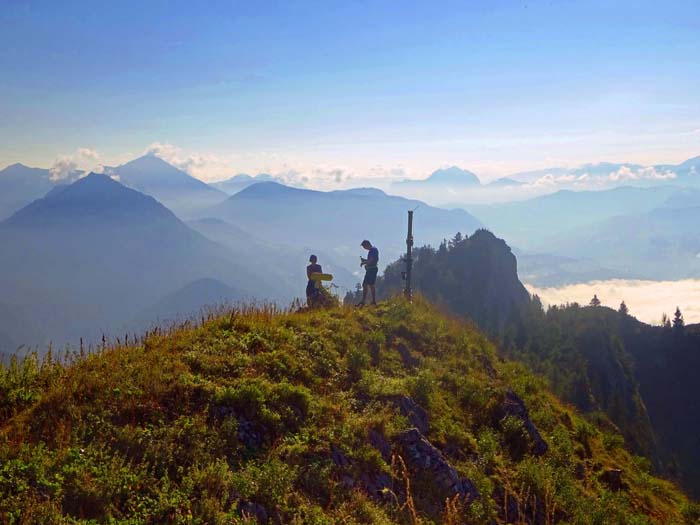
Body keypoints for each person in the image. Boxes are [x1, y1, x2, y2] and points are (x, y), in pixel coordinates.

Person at [357, 240, 379, 307]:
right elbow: (371, 260)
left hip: (371, 269)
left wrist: (364, 262)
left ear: (367, 245)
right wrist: (365, 261)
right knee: (371, 285)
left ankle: (364, 301)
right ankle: (373, 301)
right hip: (372, 269)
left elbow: (371, 261)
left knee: (365, 284)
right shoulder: (373, 250)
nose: (364, 248)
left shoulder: (372, 250)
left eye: (364, 246)